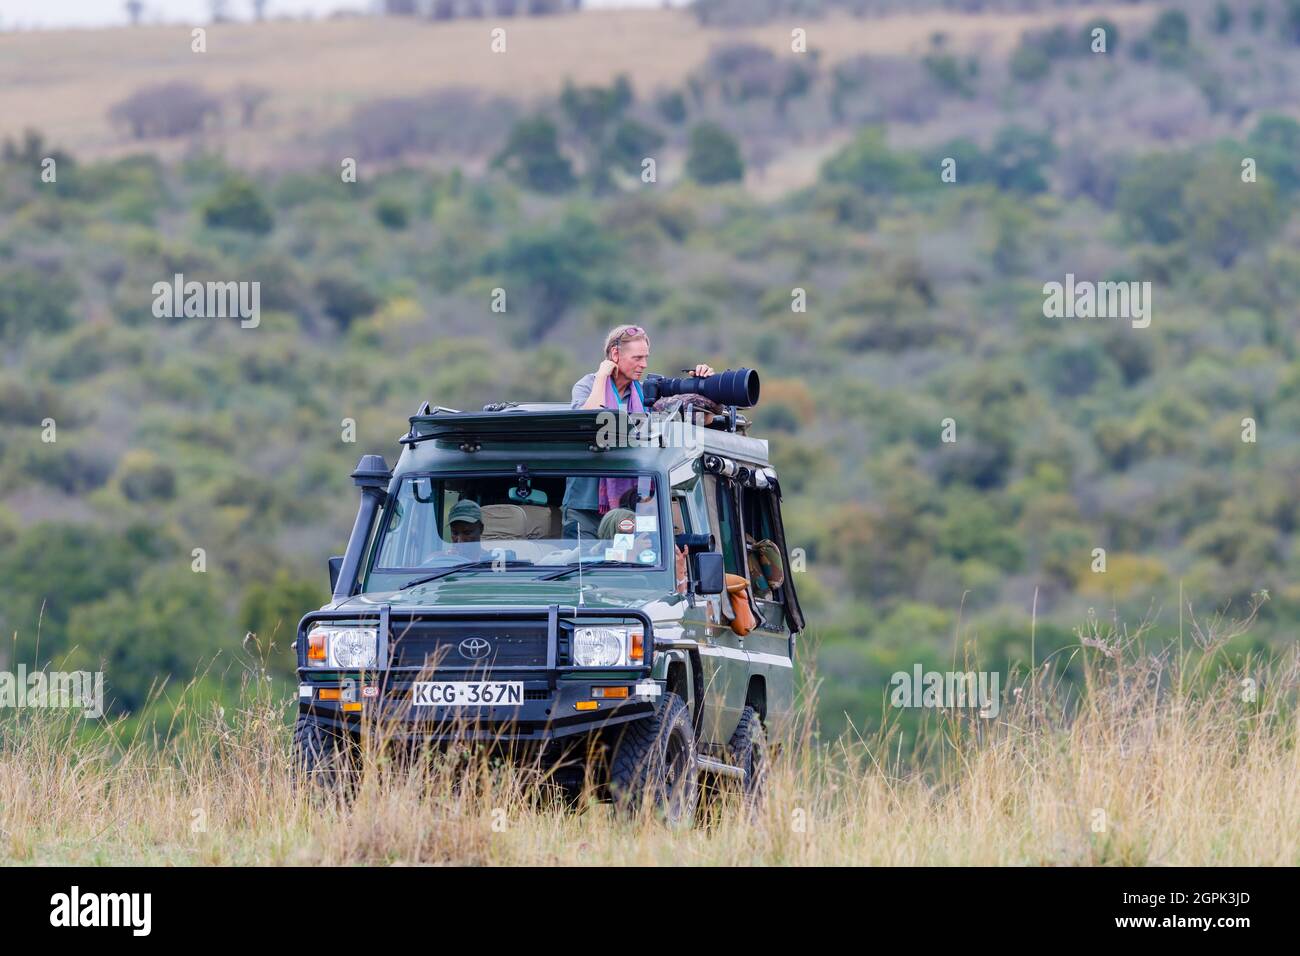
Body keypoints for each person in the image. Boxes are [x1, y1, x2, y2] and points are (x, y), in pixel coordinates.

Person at [563, 324, 714, 538]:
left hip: (631, 506)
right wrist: (601, 377)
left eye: (646, 357)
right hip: (585, 504)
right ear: (615, 354)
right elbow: (588, 419)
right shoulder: (588, 386)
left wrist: (704, 384)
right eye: (637, 358)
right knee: (580, 568)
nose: (643, 364)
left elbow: (704, 419)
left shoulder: (646, 396)